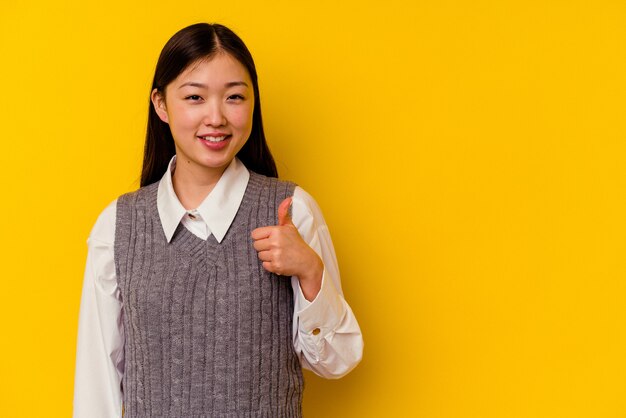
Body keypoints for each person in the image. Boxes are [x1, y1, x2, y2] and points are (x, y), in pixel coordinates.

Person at [73, 23, 363, 417]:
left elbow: (338, 360)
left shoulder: (292, 212)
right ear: (161, 104)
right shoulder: (119, 227)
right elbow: (97, 385)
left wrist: (311, 272)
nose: (216, 117)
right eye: (194, 97)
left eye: (234, 97)